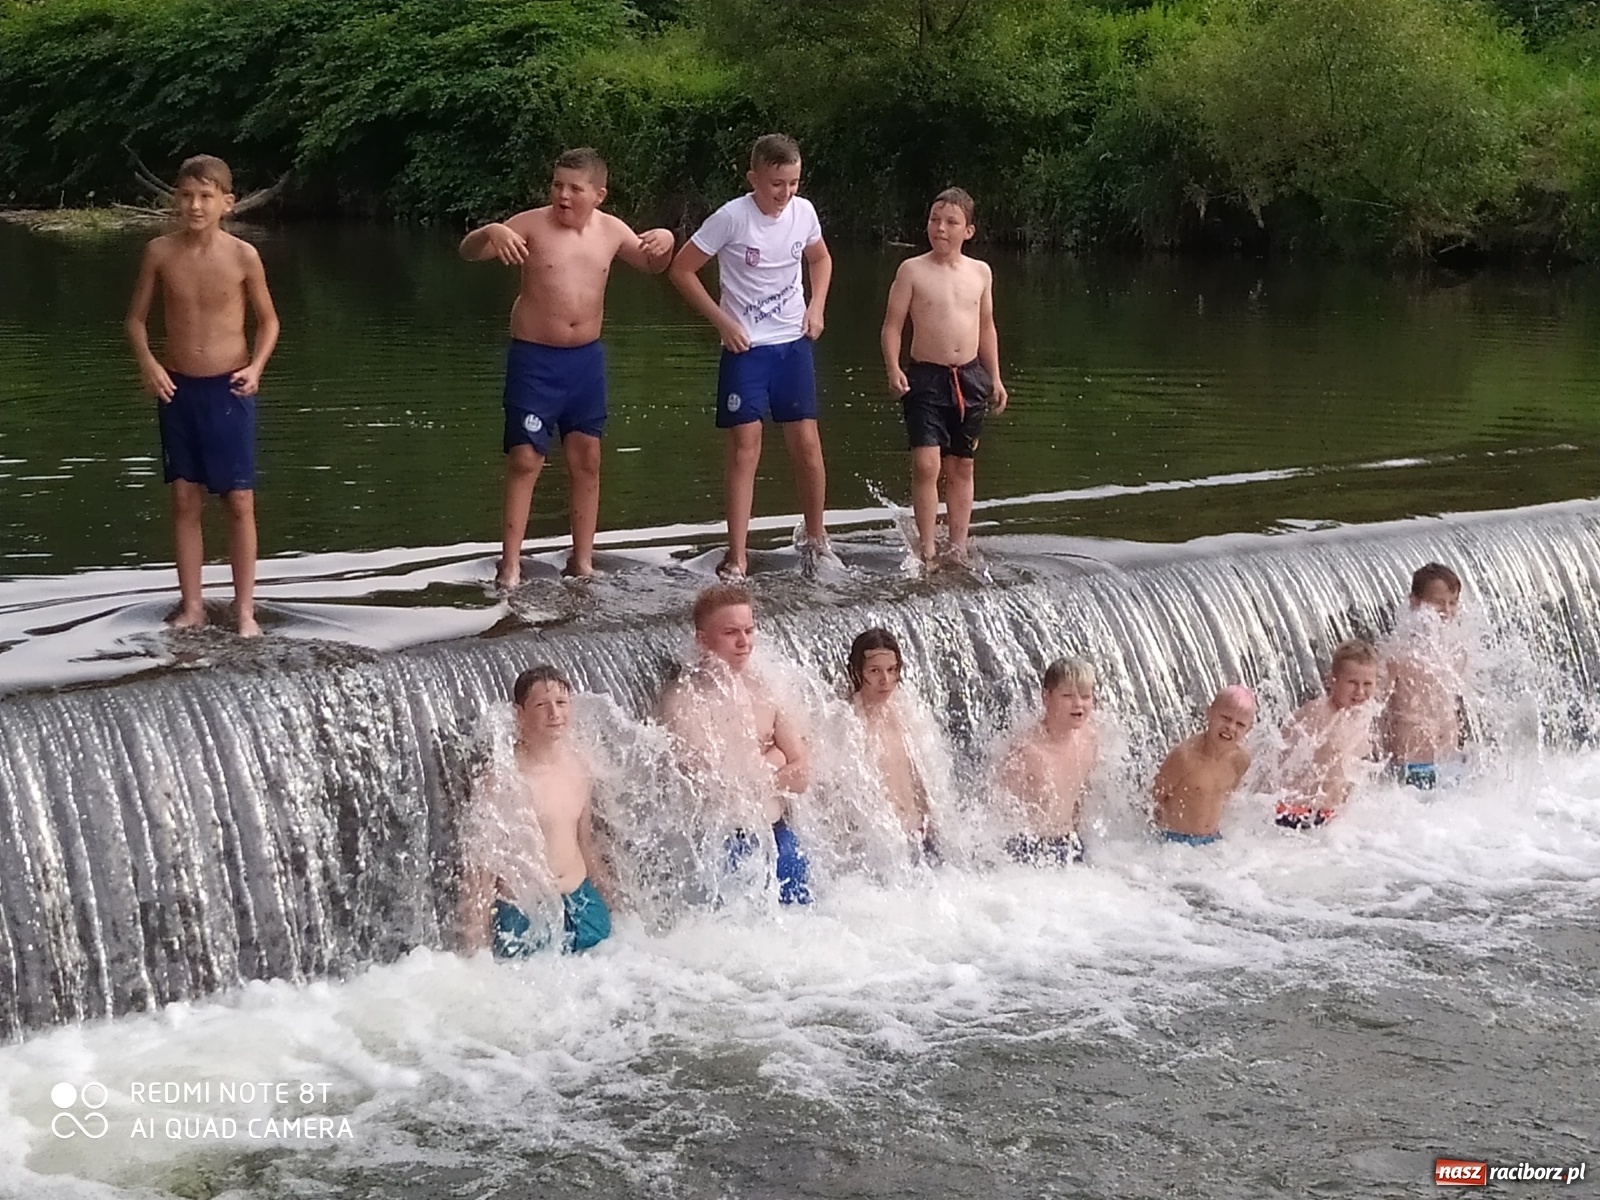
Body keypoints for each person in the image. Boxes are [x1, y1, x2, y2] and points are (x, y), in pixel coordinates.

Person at [460, 148, 675, 587]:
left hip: (586, 361)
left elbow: (652, 265)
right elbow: (467, 252)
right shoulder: (530, 224)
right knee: (525, 457)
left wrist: (666, 240)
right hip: (535, 358)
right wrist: (491, 231)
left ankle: (582, 561)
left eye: (574, 188)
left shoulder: (612, 231)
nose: (562, 195)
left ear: (598, 194)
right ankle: (511, 564)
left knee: (588, 458)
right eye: (557, 185)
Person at [126, 154, 280, 637]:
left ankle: (245, 611)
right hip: (177, 388)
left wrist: (256, 367)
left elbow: (269, 321)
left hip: (229, 386)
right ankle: (192, 605)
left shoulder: (242, 256)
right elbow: (134, 321)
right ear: (176, 199)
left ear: (226, 204)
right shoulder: (159, 252)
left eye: (206, 197)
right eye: (187, 195)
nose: (195, 205)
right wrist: (149, 364)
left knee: (238, 500)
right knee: (185, 498)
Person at [668, 134, 833, 580]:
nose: (785, 193)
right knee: (745, 448)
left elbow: (820, 259)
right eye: (777, 183)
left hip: (792, 343)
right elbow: (681, 270)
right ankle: (738, 554)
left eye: (794, 182)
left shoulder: (804, 213)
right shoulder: (731, 218)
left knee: (807, 445)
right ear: (754, 178)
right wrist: (722, 323)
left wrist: (816, 307)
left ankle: (816, 540)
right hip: (746, 348)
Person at [657, 584, 813, 903]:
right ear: (702, 640)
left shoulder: (764, 688)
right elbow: (715, 788)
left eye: (749, 631)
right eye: (731, 633)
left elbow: (803, 776)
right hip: (726, 846)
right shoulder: (684, 702)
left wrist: (767, 767)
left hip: (779, 835)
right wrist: (776, 757)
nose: (744, 643)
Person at [880, 187, 1008, 567]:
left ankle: (958, 544)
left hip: (969, 378)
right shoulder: (912, 270)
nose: (940, 228)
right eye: (935, 220)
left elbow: (987, 327)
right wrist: (893, 367)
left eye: (951, 222)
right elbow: (891, 326)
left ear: (968, 230)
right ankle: (928, 549)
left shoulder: (981, 272)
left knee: (961, 464)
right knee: (926, 464)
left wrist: (995, 378)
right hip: (926, 378)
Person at [458, 665, 613, 956]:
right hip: (526, 912)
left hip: (582, 901)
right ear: (520, 714)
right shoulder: (502, 778)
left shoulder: (579, 764)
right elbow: (479, 871)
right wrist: (475, 949)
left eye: (561, 703)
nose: (555, 714)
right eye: (542, 705)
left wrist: (618, 905)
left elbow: (585, 842)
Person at [999, 658, 1100, 865]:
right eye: (1067, 696)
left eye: (1085, 696)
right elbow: (997, 811)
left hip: (1071, 842)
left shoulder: (1090, 739)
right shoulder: (1027, 751)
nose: (1078, 703)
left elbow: (1081, 794)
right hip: (1029, 849)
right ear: (1046, 697)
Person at [848, 628, 937, 860]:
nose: (885, 680)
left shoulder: (905, 709)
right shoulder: (848, 722)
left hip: (921, 835)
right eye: (875, 671)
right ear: (858, 673)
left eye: (891, 670)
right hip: (881, 847)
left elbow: (922, 775)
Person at [1275, 639, 1380, 829]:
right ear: (1332, 681)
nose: (1360, 691)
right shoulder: (1317, 713)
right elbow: (1279, 755)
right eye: (1352, 683)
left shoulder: (1360, 715)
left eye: (1367, 684)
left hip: (1331, 816)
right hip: (1297, 815)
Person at [1381, 563, 1468, 789]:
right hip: (1413, 766)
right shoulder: (1397, 656)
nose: (1446, 611)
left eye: (1453, 603)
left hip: (1450, 759)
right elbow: (1378, 714)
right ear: (1415, 602)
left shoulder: (1457, 651)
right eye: (1438, 602)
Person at [1151, 686, 1256, 845]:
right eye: (1226, 718)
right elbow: (1152, 799)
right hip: (1176, 842)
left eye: (1240, 724)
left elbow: (1226, 797)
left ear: (1249, 729)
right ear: (1209, 713)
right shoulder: (1184, 757)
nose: (1231, 727)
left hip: (1213, 840)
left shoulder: (1240, 760)